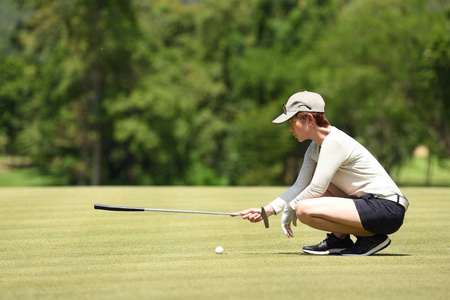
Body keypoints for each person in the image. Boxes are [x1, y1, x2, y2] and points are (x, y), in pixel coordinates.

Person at [238, 91, 409, 256]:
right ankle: (340, 239)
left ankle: (371, 238)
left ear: (309, 119)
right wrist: (266, 211)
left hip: (387, 209)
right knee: (308, 193)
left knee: (303, 209)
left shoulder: (335, 142)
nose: (290, 129)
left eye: (292, 122)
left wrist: (290, 209)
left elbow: (316, 189)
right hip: (369, 205)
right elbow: (300, 186)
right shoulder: (314, 148)